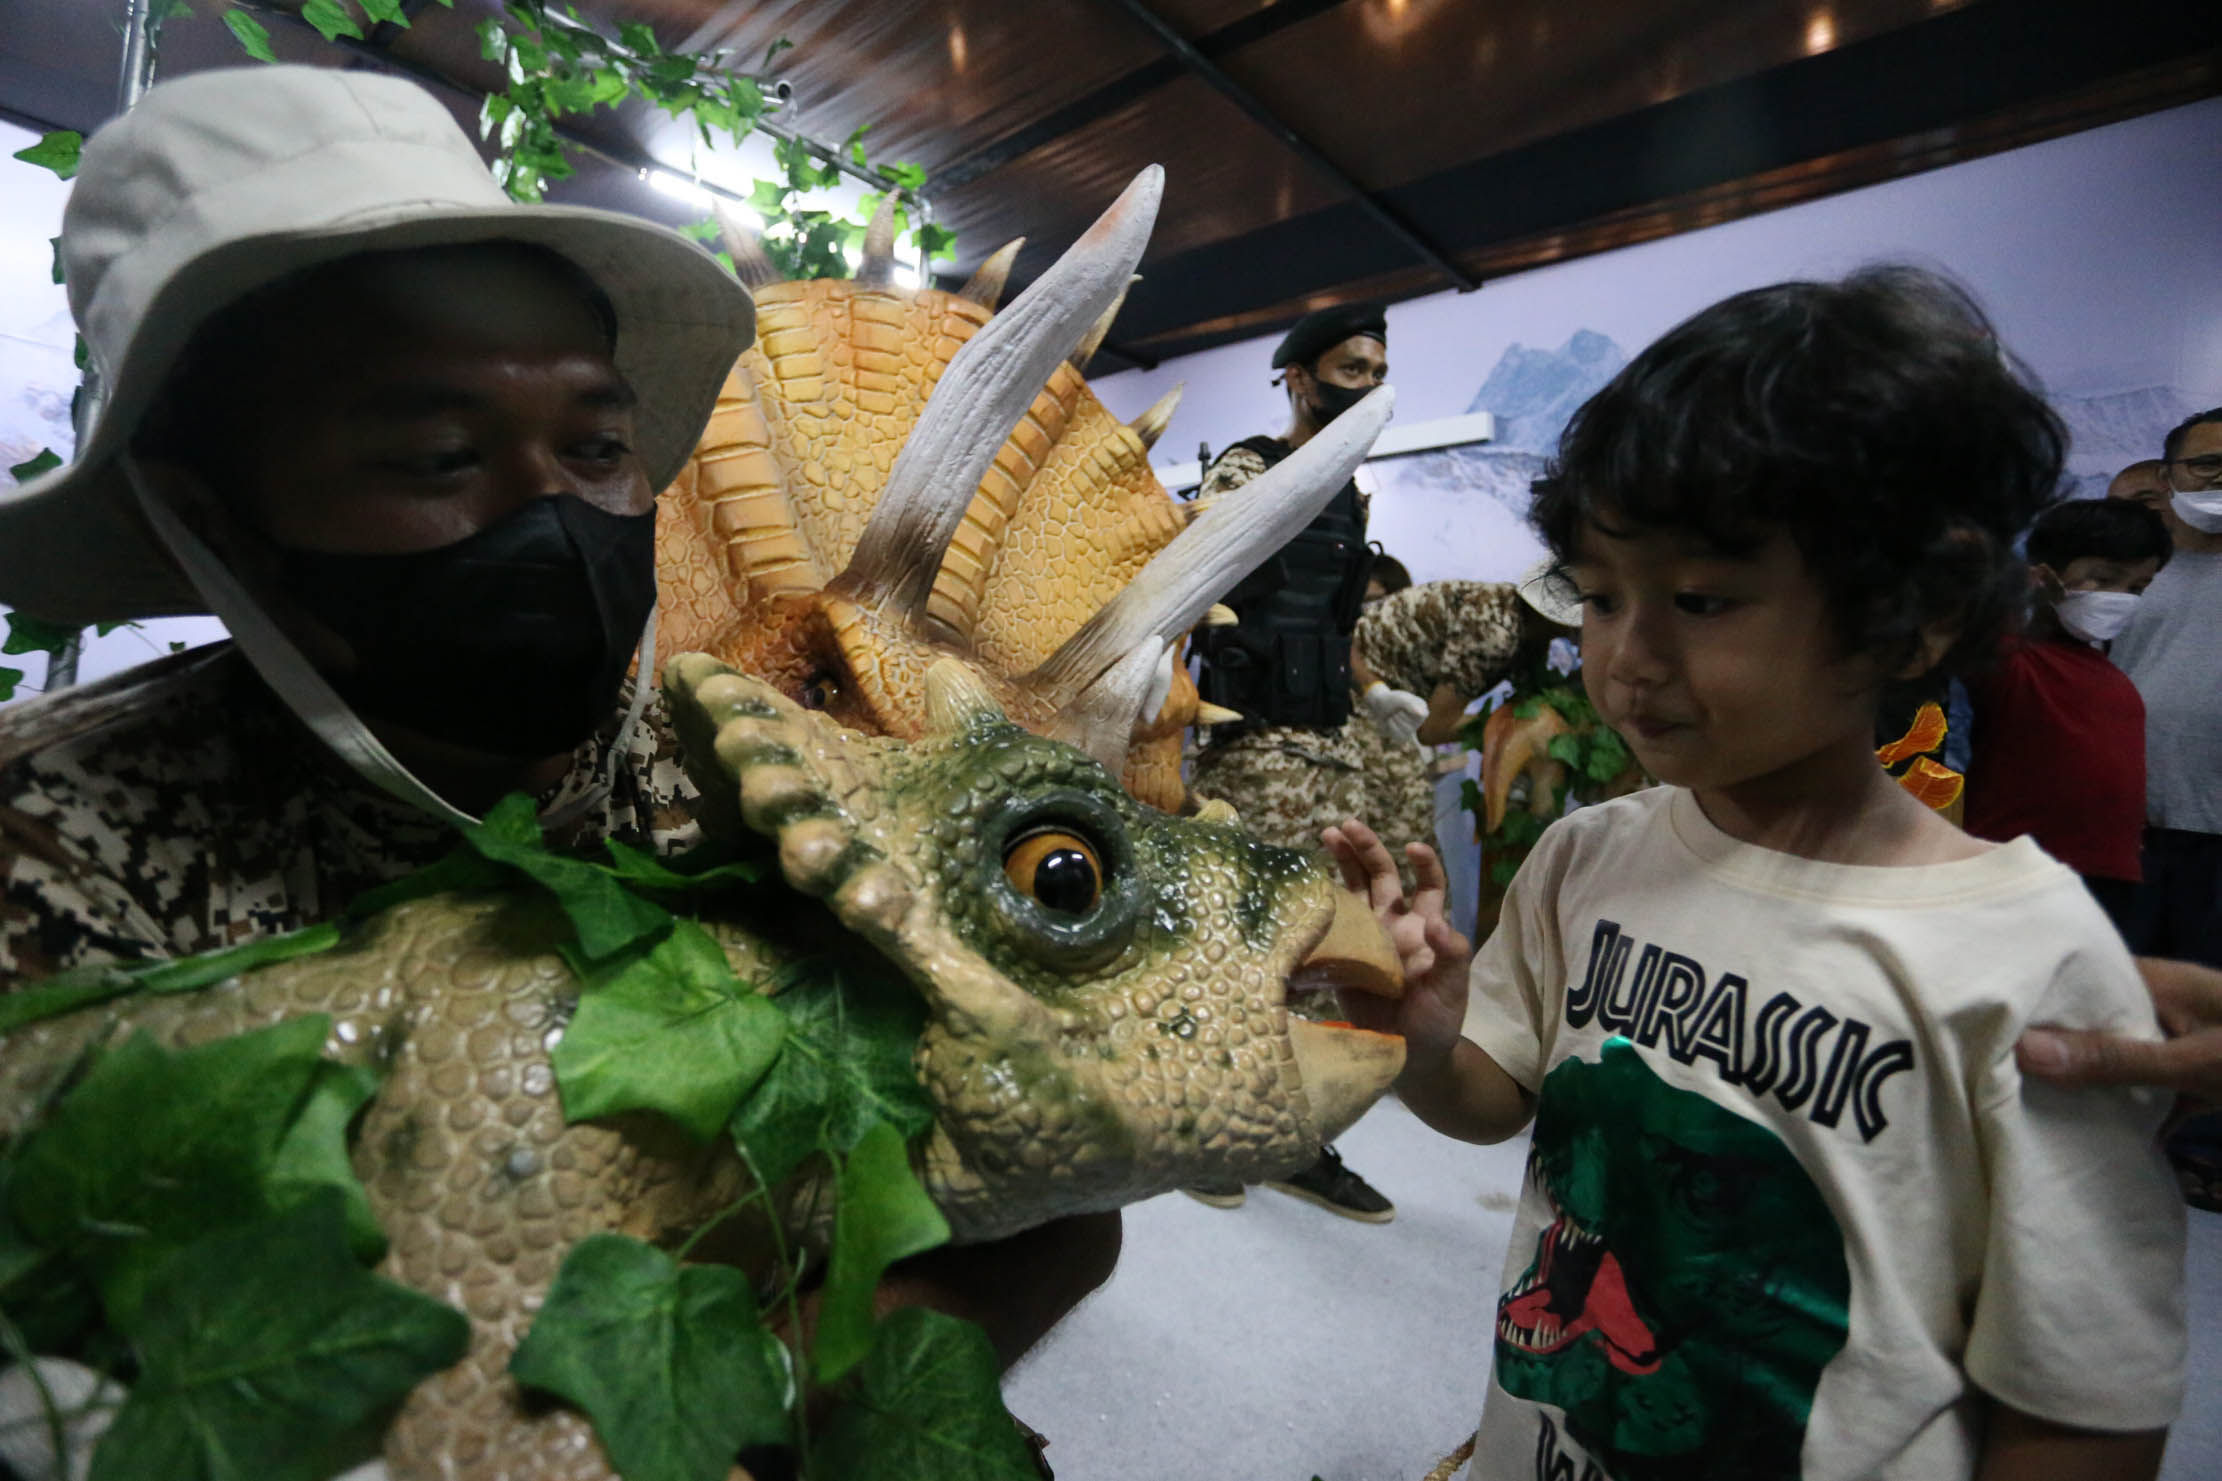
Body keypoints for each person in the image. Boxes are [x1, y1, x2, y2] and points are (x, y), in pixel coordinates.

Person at [0, 63, 1114, 1393]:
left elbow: (1029, 1170)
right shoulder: (58, 873)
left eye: (595, 448)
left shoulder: (738, 768)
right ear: (212, 517)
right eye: (433, 459)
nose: (551, 516)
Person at [1328, 268, 2184, 1481]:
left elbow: (2079, 1405)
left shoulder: (2027, 961)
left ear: (1913, 612)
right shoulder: (1588, 855)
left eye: (1700, 598)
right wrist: (1423, 1035)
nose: (1626, 659)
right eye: (1600, 596)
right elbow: (1495, 1100)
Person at [1180, 301, 1399, 1222]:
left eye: (1379, 374)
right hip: (1249, 739)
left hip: (1327, 741)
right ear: (1300, 379)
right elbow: (1185, 575)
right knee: (1232, 934)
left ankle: (1294, 1133)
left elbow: (1336, 622)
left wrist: (1376, 692)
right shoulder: (1248, 467)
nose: (1368, 389)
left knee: (1310, 945)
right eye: (1352, 370)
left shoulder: (1351, 495)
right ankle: (1199, 1115)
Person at [1963, 497, 2171, 937]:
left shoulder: (2110, 676)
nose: (2121, 599)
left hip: (2114, 882)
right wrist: (2016, 595)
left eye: (2137, 588)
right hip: (2018, 879)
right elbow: (1955, 618)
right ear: (2044, 574)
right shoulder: (2009, 658)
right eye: (2103, 578)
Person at [2109, 407, 2222, 969]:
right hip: (2133, 831)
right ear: (2166, 477)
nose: (2221, 479)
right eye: (2208, 464)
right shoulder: (2118, 576)